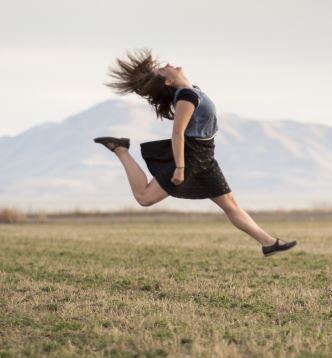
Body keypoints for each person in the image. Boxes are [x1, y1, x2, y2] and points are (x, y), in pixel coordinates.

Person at [94, 47, 297, 257]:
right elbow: (177, 133)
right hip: (192, 156)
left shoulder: (191, 90)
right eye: (163, 70)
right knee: (145, 198)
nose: (167, 65)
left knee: (230, 204)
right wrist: (180, 168)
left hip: (205, 155)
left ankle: (269, 243)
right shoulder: (187, 97)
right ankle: (121, 150)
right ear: (168, 82)